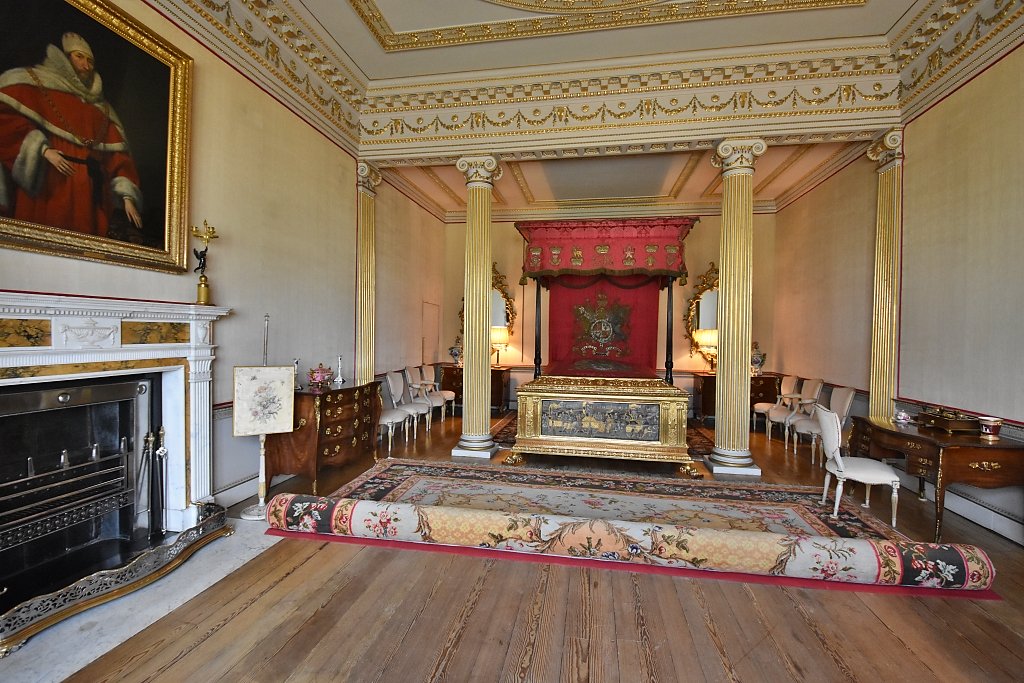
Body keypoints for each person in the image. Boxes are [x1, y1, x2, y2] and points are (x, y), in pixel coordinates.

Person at [0, 32, 144, 240]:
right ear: (65, 57)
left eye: (90, 61)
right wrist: (43, 149)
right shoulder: (34, 82)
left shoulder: (100, 109)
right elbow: (7, 123)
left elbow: (117, 159)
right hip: (49, 186)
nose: (87, 65)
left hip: (87, 198)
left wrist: (127, 196)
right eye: (80, 57)